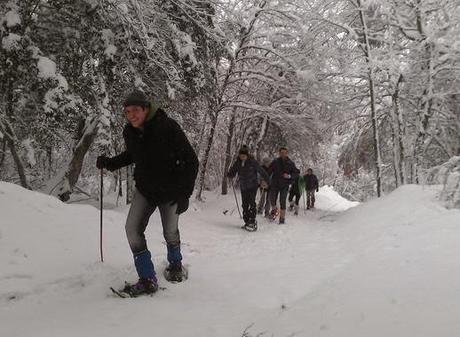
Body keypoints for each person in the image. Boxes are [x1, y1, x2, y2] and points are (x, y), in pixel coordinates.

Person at [96, 89, 199, 296]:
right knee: (132, 229)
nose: (131, 115)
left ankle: (176, 265)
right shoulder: (130, 132)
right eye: (127, 111)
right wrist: (110, 163)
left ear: (146, 109)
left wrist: (184, 194)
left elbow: (192, 161)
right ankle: (147, 278)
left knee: (170, 231)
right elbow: (133, 154)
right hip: (146, 190)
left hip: (171, 191)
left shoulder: (168, 127)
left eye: (135, 110)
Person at [227, 146, 270, 231]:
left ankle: (252, 221)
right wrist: (230, 175)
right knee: (244, 204)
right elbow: (233, 171)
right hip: (243, 186)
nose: (242, 157)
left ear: (247, 155)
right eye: (241, 155)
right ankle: (246, 221)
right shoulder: (238, 162)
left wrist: (267, 180)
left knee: (251, 202)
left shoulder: (252, 162)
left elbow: (261, 171)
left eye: (244, 155)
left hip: (252, 185)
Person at [268, 147, 300, 224]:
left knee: (282, 201)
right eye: (281, 152)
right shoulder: (275, 161)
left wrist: (289, 176)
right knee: (272, 199)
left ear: (287, 153)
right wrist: (265, 180)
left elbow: (296, 173)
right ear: (279, 153)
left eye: (284, 153)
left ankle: (282, 218)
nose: (283, 154)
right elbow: (269, 171)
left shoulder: (290, 163)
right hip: (275, 183)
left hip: (284, 185)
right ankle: (274, 209)